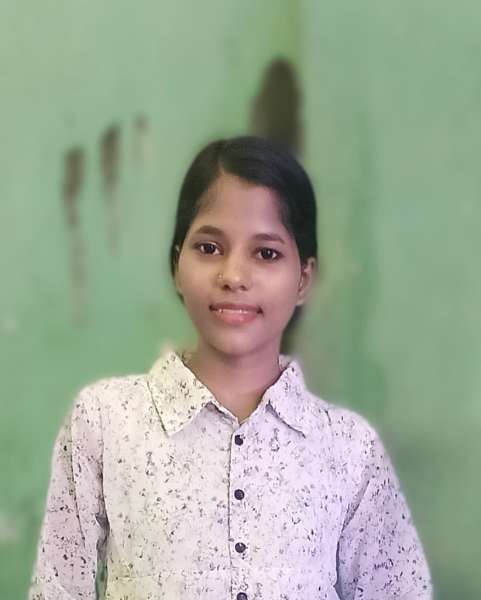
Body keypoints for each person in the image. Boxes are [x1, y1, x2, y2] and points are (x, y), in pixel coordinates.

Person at [29, 136, 432, 599]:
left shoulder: (349, 450)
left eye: (266, 253)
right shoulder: (105, 422)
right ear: (176, 264)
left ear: (303, 279)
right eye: (209, 247)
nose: (234, 276)